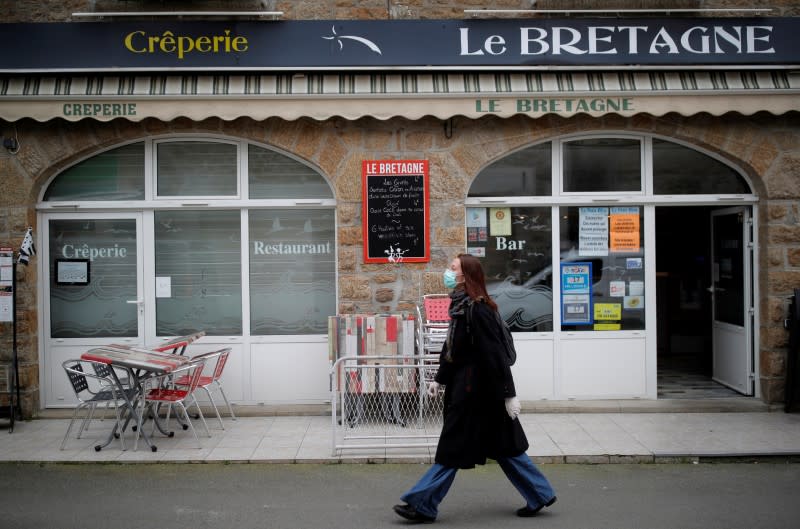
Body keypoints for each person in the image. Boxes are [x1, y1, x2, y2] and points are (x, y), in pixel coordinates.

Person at [393, 253, 556, 523]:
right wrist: (439, 379)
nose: (448, 271)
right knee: (505, 448)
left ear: (465, 275)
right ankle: (540, 494)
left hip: (478, 395)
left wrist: (509, 394)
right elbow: (452, 350)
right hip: (471, 392)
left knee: (454, 449)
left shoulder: (478, 309)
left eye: (453, 268)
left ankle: (422, 504)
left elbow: (495, 355)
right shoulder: (460, 307)